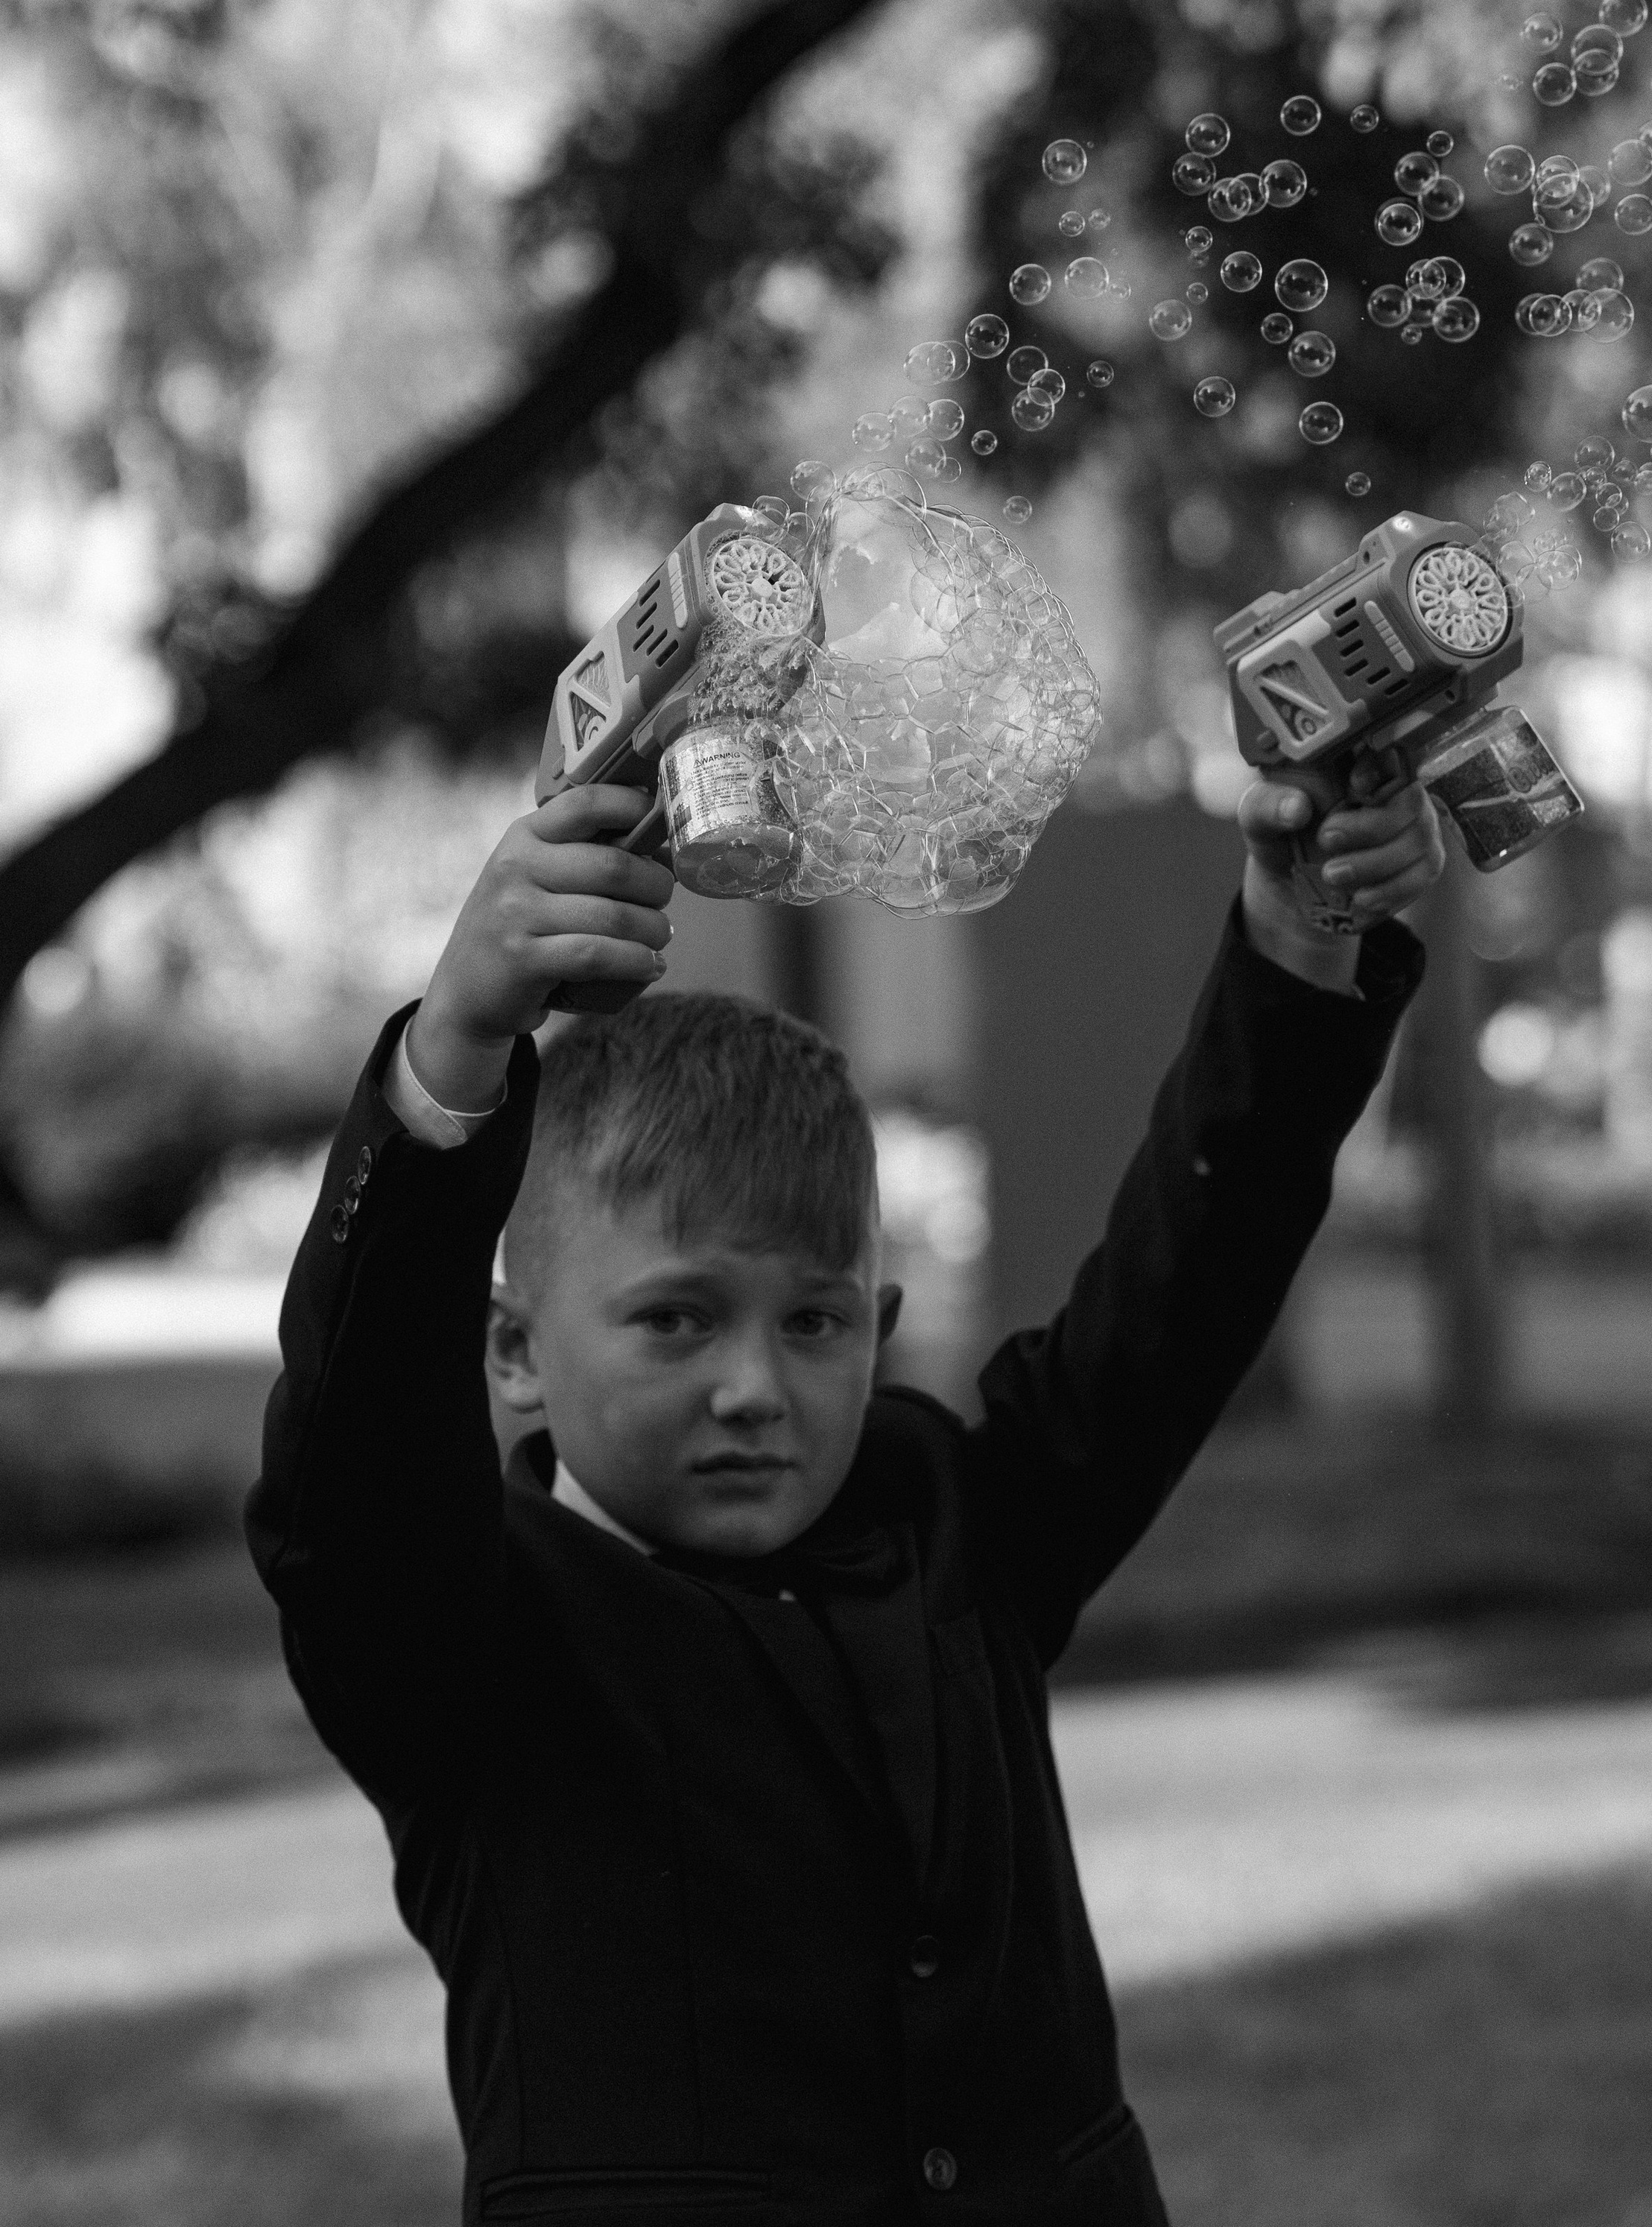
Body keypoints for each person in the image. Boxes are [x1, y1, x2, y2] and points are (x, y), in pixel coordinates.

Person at [247, 754, 1442, 2227]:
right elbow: (349, 1463)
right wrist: (456, 1049)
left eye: (812, 1322)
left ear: (876, 1333)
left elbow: (1187, 1281)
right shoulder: (462, 1636)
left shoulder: (959, 1527)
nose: (754, 1386)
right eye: (677, 1319)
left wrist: (1300, 938)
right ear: (512, 1351)